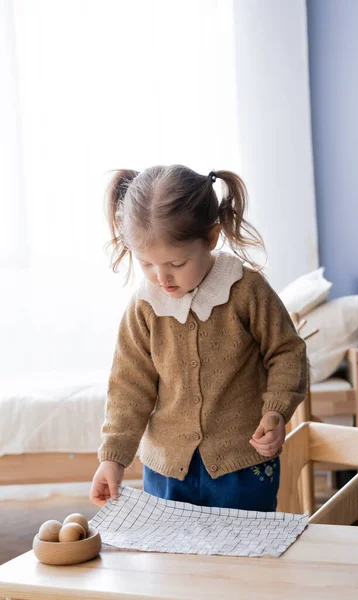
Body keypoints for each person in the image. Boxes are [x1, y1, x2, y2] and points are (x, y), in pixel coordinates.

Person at [90, 165, 307, 512]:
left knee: (244, 557)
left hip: (242, 465)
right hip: (165, 471)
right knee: (172, 563)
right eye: (146, 263)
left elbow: (287, 352)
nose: (161, 277)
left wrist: (276, 411)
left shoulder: (246, 290)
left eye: (176, 263)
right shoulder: (144, 306)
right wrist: (113, 457)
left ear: (211, 238)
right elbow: (129, 386)